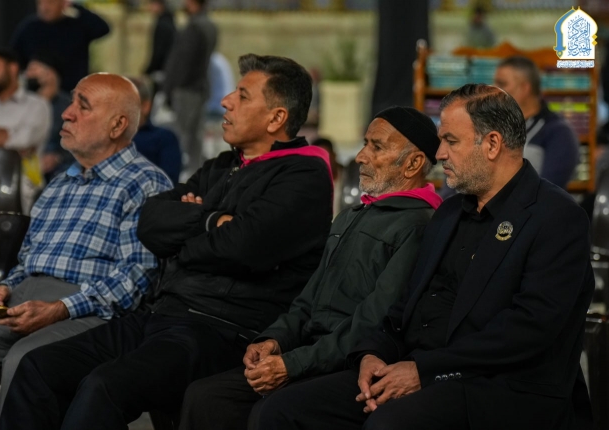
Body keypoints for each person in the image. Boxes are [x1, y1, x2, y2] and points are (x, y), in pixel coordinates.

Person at [0, 54, 334, 430]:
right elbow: (151, 222)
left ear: (276, 118)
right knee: (39, 368)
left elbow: (242, 247)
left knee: (104, 386)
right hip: (161, 315)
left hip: (221, 330)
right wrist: (211, 221)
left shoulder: (304, 175)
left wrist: (186, 235)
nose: (226, 101)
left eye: (242, 96)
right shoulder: (222, 165)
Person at [254, 83, 594, 430]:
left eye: (451, 141)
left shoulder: (555, 217)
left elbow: (528, 329)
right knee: (279, 411)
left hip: (499, 387)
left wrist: (425, 370)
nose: (440, 153)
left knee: (389, 424)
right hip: (419, 368)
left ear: (492, 144)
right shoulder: (449, 214)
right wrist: (373, 354)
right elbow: (404, 307)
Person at [180, 106, 443, 430]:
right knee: (205, 397)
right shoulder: (350, 216)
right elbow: (308, 300)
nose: (360, 156)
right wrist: (274, 340)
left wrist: (292, 365)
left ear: (413, 163)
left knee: (272, 412)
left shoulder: (418, 225)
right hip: (309, 352)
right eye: (365, 144)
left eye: (376, 147)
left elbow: (371, 323)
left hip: (352, 362)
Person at [0, 73, 172, 420]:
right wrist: (4, 288)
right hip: (24, 302)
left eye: (83, 105)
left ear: (117, 125)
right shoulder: (61, 183)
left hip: (89, 312)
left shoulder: (146, 183)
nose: (66, 113)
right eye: (72, 101)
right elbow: (27, 262)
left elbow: (136, 277)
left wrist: (61, 308)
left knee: (26, 361)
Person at [0, 48, 51, 213]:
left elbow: (23, 141)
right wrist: (8, 138)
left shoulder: (37, 104)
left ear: (13, 68)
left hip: (24, 188)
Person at [494, 55, 579, 189]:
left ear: (524, 88)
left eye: (502, 84)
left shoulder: (558, 132)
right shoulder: (493, 125)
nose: (494, 90)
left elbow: (550, 190)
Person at [163, 0, 217, 176]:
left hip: (186, 88)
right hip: (201, 87)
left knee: (181, 134)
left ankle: (175, 174)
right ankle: (196, 174)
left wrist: (170, 87)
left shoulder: (194, 28)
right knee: (195, 136)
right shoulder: (209, 25)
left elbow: (183, 62)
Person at [11, 0, 110, 92]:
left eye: (50, 3)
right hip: (36, 92)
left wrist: (75, 6)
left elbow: (103, 28)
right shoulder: (29, 28)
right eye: (41, 3)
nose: (45, 7)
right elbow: (14, 57)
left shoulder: (76, 26)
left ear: (63, 4)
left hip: (72, 91)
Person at [24, 52, 74, 182]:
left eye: (33, 69)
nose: (28, 74)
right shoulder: (24, 104)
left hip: (57, 169)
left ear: (49, 73)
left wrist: (57, 158)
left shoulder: (69, 106)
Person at [129, 76, 182, 183]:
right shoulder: (104, 137)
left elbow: (169, 181)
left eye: (125, 104)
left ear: (145, 106)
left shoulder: (163, 138)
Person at [144, 0, 176, 94]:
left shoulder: (162, 24)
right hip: (169, 69)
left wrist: (149, 70)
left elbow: (159, 51)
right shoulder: (170, 21)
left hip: (160, 70)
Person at [311, 137, 344, 216]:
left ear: (334, 155)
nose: (323, 161)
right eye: (318, 158)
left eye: (326, 156)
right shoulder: (311, 184)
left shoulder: (350, 178)